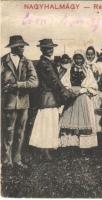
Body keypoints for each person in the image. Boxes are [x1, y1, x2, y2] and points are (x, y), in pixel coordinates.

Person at [29, 39, 75, 160]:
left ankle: (43, 149)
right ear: (42, 49)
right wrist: (67, 93)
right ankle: (44, 150)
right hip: (48, 97)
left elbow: (55, 80)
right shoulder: (45, 63)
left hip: (48, 97)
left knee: (47, 123)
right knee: (47, 123)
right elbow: (54, 81)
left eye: (51, 48)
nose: (50, 50)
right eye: (47, 48)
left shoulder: (46, 62)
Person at [1, 35, 38, 169]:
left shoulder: (27, 62)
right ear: (14, 47)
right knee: (7, 132)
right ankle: (6, 161)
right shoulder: (3, 61)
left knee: (20, 133)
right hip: (8, 103)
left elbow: (34, 82)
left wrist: (17, 85)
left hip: (23, 103)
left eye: (23, 46)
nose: (23, 48)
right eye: (21, 46)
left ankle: (17, 159)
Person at [59, 50, 98, 150]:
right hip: (72, 97)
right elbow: (64, 82)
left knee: (83, 119)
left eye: (80, 58)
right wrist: (70, 89)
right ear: (74, 59)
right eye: (76, 58)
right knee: (71, 119)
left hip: (83, 97)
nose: (78, 60)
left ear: (83, 59)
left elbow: (93, 85)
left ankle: (84, 144)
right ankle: (71, 143)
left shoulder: (87, 70)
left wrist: (83, 89)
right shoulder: (70, 70)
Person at [85, 46, 102, 134]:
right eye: (88, 54)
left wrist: (99, 77)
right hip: (87, 92)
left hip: (97, 91)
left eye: (91, 54)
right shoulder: (84, 65)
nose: (90, 56)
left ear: (94, 55)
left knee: (97, 111)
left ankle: (98, 131)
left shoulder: (99, 65)